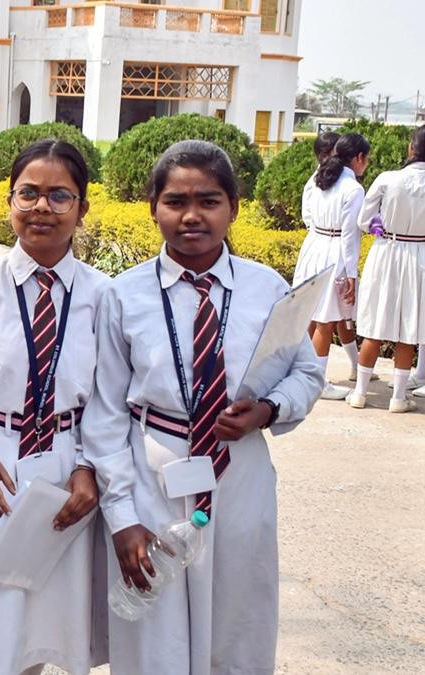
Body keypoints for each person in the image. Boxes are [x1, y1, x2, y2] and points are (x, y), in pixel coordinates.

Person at [83, 140, 324, 675]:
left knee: (239, 619)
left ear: (233, 207)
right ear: (153, 208)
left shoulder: (267, 288)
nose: (192, 215)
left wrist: (268, 409)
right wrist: (122, 517)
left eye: (209, 201)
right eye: (175, 201)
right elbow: (104, 413)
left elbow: (306, 372)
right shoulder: (124, 296)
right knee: (156, 632)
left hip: (240, 471)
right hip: (154, 474)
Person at [0, 140, 108, 675]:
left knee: (43, 623)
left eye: (60, 196)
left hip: (66, 467)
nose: (42, 207)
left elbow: (108, 398)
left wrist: (87, 466)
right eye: (29, 193)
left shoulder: (103, 296)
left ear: (82, 208)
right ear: (9, 201)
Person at [349, 126, 425, 411]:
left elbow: (363, 220)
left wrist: (379, 225)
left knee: (376, 323)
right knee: (410, 328)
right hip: (420, 254)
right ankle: (398, 397)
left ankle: (359, 393)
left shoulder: (387, 178)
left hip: (387, 251)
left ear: (411, 148)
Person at [293, 132, 370, 400]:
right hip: (334, 252)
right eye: (367, 159)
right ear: (358, 157)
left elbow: (307, 215)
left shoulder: (318, 178)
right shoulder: (353, 189)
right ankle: (317, 383)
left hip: (313, 245)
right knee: (325, 322)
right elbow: (350, 236)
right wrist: (351, 274)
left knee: (309, 315)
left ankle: (300, 374)